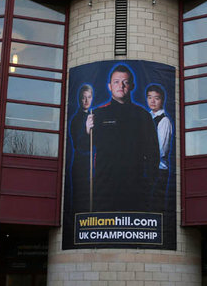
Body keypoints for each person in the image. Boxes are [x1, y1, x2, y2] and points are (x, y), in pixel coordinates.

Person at [85, 64, 159, 212]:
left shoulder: (143, 115)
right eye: (116, 82)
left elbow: (153, 153)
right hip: (105, 188)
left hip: (135, 188)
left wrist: (148, 183)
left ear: (131, 86)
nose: (121, 86)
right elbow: (84, 150)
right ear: (109, 86)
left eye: (125, 82)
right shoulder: (97, 115)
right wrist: (87, 132)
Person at [146, 83, 172, 212]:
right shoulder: (146, 118)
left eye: (156, 98)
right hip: (147, 168)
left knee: (156, 205)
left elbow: (162, 150)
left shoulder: (164, 121)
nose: (152, 101)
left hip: (158, 170)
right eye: (150, 97)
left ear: (162, 100)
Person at [70, 84, 94, 212]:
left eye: (89, 97)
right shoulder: (75, 119)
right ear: (80, 99)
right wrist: (86, 130)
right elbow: (77, 144)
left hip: (94, 164)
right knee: (81, 199)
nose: (86, 101)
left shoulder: (93, 115)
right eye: (83, 97)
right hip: (81, 164)